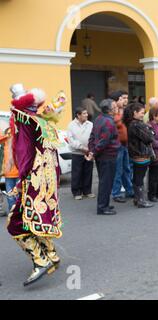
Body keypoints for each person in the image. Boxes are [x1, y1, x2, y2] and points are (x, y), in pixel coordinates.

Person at [7, 84, 65, 286]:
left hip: (33, 180)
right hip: (46, 182)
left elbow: (25, 153)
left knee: (14, 224)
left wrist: (22, 181)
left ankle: (41, 261)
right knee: (31, 219)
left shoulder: (24, 122)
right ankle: (51, 254)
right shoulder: (43, 122)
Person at [88, 99, 120, 215]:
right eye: (115, 107)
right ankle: (102, 207)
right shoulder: (108, 122)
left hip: (102, 156)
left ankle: (104, 204)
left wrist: (92, 151)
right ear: (110, 110)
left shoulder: (98, 119)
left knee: (105, 181)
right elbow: (104, 141)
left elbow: (92, 137)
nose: (117, 108)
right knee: (106, 182)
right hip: (107, 156)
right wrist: (93, 151)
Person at [123, 103, 154, 209]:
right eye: (141, 113)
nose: (143, 115)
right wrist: (150, 130)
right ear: (135, 113)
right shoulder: (137, 124)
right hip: (141, 154)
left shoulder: (132, 123)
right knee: (139, 177)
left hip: (136, 153)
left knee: (137, 176)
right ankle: (141, 200)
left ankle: (138, 199)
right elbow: (149, 138)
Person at [110, 91, 134, 203]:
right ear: (115, 101)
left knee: (126, 168)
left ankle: (129, 190)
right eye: (121, 99)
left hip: (125, 144)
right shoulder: (113, 113)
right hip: (117, 145)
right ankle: (116, 193)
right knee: (118, 170)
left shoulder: (124, 111)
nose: (123, 100)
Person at [67, 107, 95, 200]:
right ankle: (76, 192)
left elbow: (93, 137)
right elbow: (71, 140)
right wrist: (82, 148)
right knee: (77, 173)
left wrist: (90, 149)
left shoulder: (90, 124)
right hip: (77, 153)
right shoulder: (71, 125)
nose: (86, 115)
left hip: (89, 152)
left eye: (86, 113)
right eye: (84, 113)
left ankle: (87, 191)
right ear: (78, 115)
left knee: (88, 172)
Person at [0, 125, 19, 212]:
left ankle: (15, 212)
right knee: (11, 194)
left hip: (18, 171)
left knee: (15, 193)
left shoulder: (18, 139)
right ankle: (13, 212)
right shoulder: (6, 139)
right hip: (10, 172)